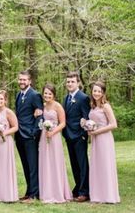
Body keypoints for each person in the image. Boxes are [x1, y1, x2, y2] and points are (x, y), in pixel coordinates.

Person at [38, 84, 72, 203]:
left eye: (49, 93)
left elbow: (63, 123)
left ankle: (58, 192)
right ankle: (47, 191)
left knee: (55, 162)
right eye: (45, 93)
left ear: (54, 95)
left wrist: (53, 132)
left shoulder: (58, 106)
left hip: (55, 136)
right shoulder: (42, 106)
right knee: (45, 161)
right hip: (44, 136)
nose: (47, 95)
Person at [88, 81, 120, 203]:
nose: (96, 93)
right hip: (95, 140)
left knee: (105, 165)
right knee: (97, 165)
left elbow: (113, 124)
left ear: (103, 93)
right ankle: (98, 195)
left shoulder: (105, 106)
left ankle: (109, 195)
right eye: (94, 90)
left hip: (104, 139)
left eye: (99, 91)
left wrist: (97, 132)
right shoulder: (93, 106)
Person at [14, 71, 43, 202]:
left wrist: (34, 133)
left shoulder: (35, 95)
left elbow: (40, 116)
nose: (21, 82)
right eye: (20, 79)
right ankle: (29, 191)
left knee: (32, 166)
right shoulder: (18, 95)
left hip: (30, 136)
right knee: (25, 165)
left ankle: (34, 194)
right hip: (19, 135)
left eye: (24, 80)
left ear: (29, 81)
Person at [62, 71, 90, 202]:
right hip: (68, 135)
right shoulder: (65, 98)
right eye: (68, 81)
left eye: (72, 81)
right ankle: (78, 187)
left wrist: (84, 135)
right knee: (74, 164)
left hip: (79, 136)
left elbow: (86, 117)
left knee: (82, 164)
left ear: (78, 82)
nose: (70, 84)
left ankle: (85, 192)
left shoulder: (83, 98)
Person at [0, 90, 19, 202]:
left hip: (6, 141)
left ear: (5, 100)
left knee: (5, 166)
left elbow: (15, 127)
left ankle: (8, 194)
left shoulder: (8, 112)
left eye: (1, 99)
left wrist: (4, 133)